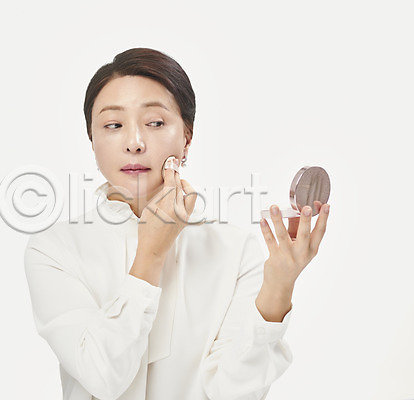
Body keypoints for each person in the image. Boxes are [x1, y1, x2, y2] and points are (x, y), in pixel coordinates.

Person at [24, 47, 330, 400]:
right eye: (113, 125)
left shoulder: (234, 250)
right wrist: (150, 256)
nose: (134, 143)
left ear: (187, 137)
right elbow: (102, 377)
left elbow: (232, 392)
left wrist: (278, 287)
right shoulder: (55, 249)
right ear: (92, 140)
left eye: (155, 123)